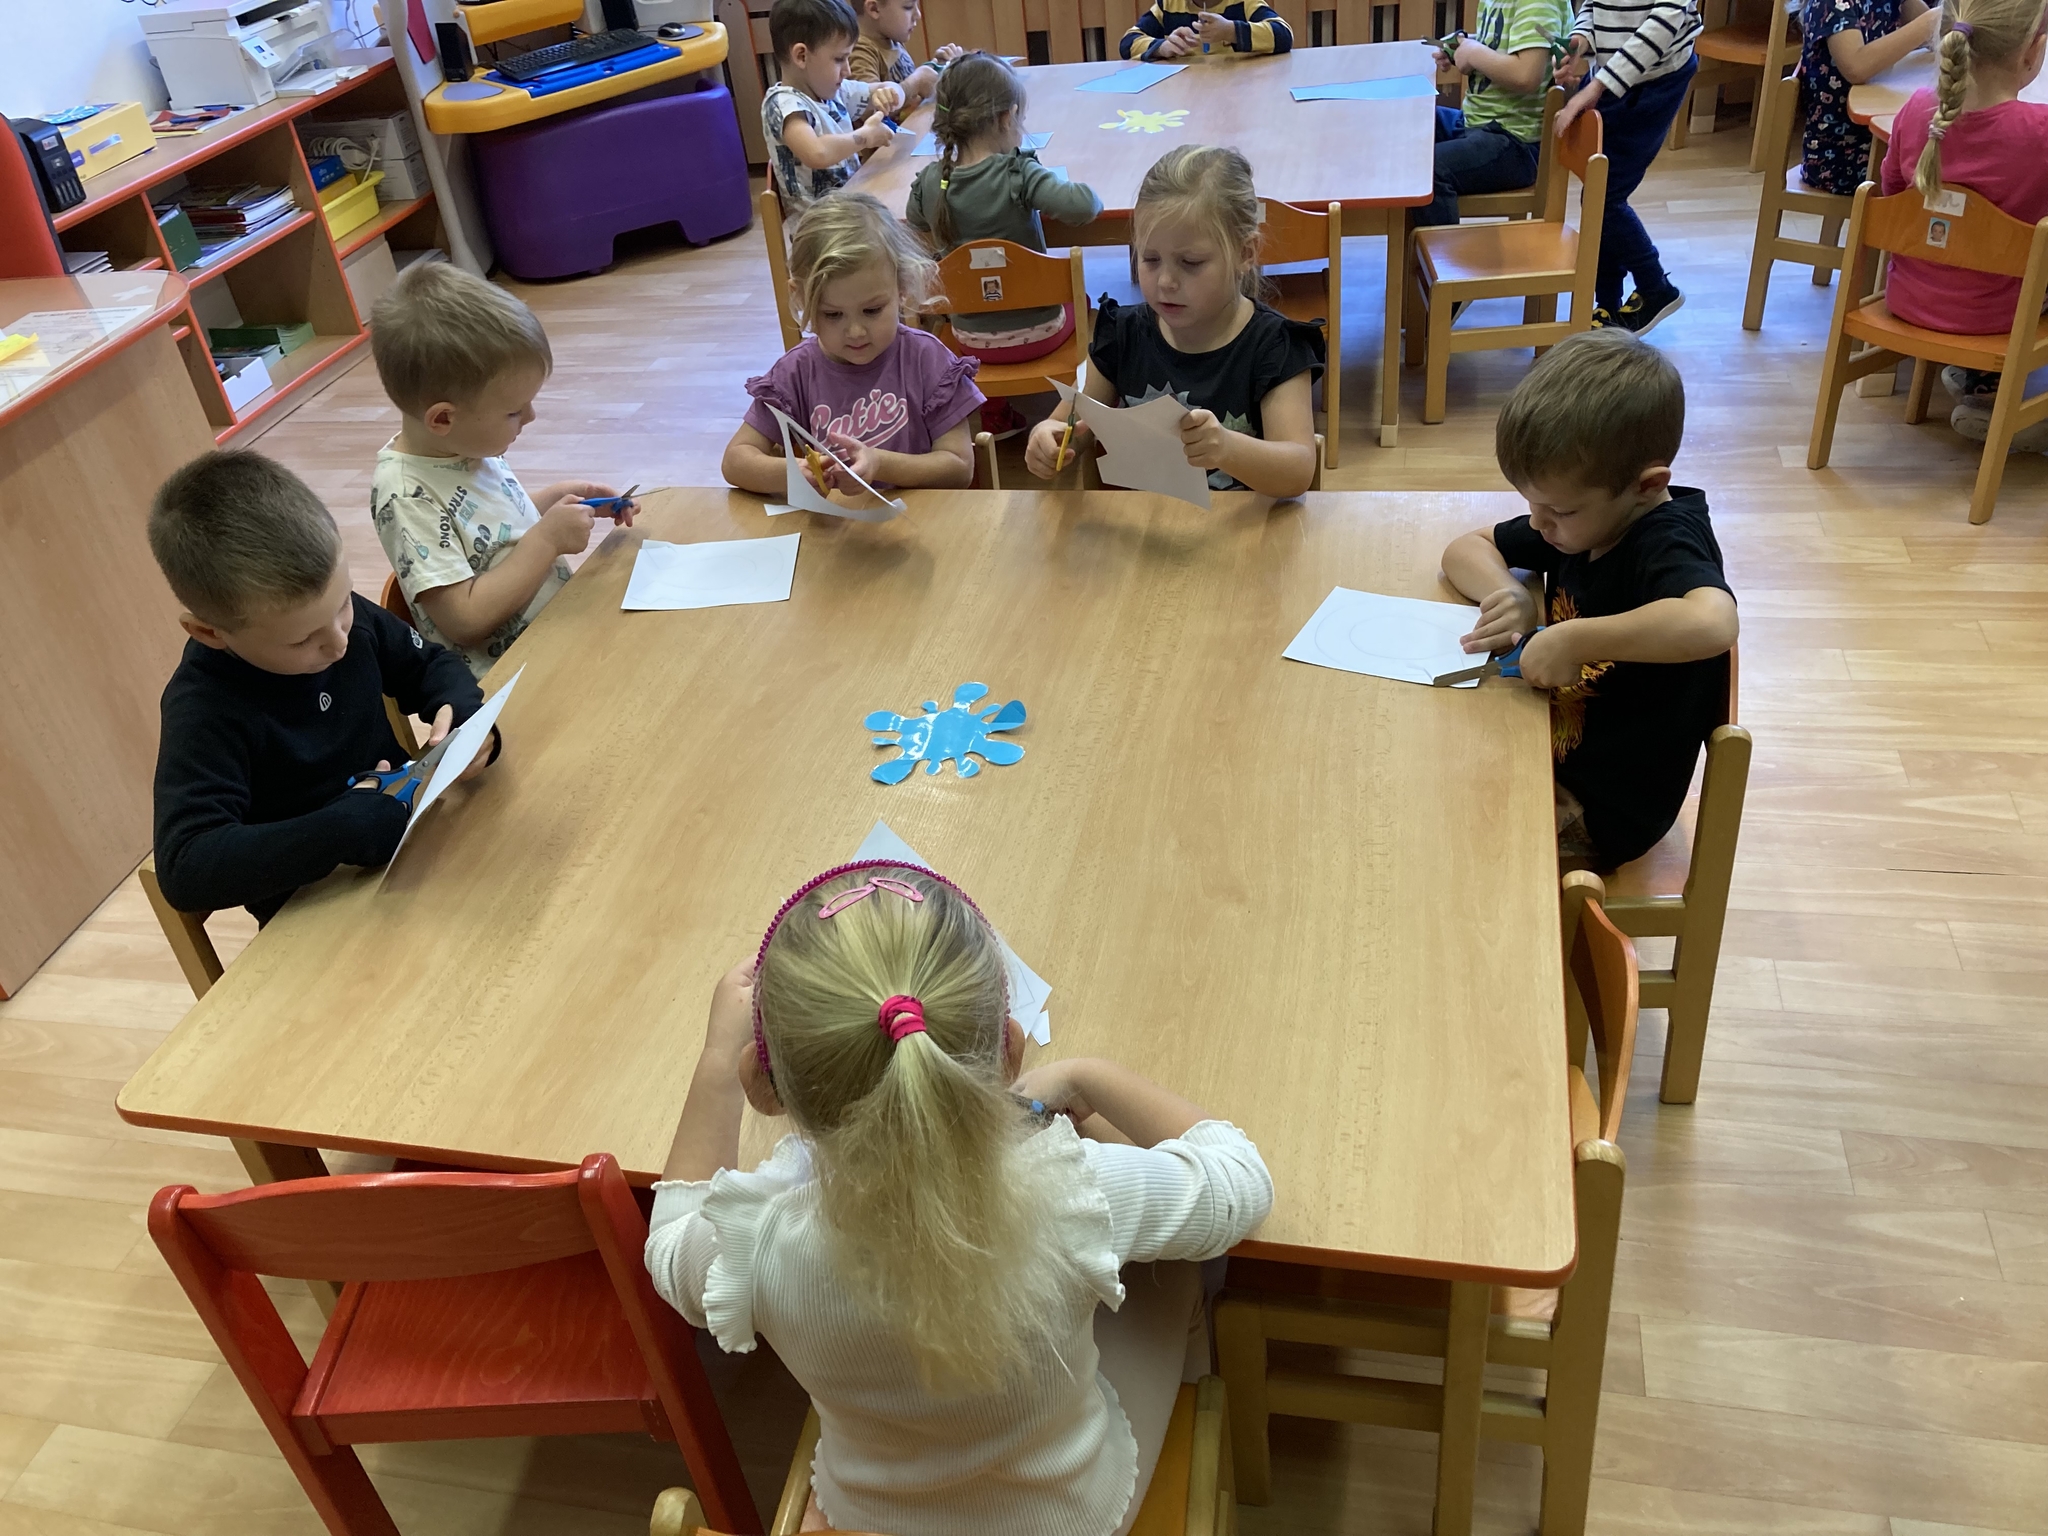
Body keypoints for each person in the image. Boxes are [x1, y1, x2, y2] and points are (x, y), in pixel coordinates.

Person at [644, 860, 1272, 1536]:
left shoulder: (755, 1244)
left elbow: (669, 1247)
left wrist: (717, 1061)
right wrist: (1090, 1075)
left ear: (762, 1087)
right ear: (1010, 1053)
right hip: (1063, 1518)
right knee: (1176, 1273)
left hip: (873, 1517)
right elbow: (1240, 1179)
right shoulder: (1074, 1191)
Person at [148, 450, 491, 924]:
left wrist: (465, 713)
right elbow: (186, 867)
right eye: (302, 640)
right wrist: (340, 830)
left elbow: (430, 665)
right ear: (209, 632)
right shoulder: (204, 709)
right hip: (316, 914)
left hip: (416, 853)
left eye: (344, 603)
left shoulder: (331, 619)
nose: (339, 642)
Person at [1439, 330, 1738, 871]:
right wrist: (1509, 593)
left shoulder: (1666, 541)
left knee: (1456, 848)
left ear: (1647, 486)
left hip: (1605, 810)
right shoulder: (1582, 520)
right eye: (1530, 504)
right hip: (1547, 746)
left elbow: (1714, 622)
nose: (1538, 524)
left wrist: (1575, 639)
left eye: (1558, 510)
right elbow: (1465, 548)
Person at [368, 262, 635, 680]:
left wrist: (563, 499)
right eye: (513, 411)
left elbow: (492, 534)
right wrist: (548, 539)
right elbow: (465, 619)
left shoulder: (464, 444)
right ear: (443, 418)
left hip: (560, 643)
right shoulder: (405, 496)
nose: (530, 417)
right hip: (509, 683)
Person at [1023, 145, 1323, 499]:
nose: (1165, 281)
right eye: (1150, 259)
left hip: (1241, 527)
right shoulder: (1121, 334)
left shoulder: (1276, 346)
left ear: (1245, 253)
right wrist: (1048, 437)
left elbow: (1297, 471)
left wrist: (1227, 448)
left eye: (1190, 262)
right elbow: (1071, 426)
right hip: (1142, 524)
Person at [724, 192, 985, 496]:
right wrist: (794, 473)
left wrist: (879, 464)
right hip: (840, 523)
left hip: (925, 520)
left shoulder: (927, 359)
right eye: (833, 314)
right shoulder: (795, 372)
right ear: (801, 297)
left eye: (872, 310)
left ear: (901, 286)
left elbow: (959, 468)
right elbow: (735, 461)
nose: (856, 332)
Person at [1876, 0, 2048, 449]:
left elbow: (1892, 198)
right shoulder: (2040, 132)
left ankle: (1981, 384)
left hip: (1910, 298)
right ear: (2033, 52)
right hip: (1997, 316)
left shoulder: (1916, 110)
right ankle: (2011, 407)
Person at [906, 52, 1104, 438]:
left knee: (978, 299)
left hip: (969, 341)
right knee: (1081, 299)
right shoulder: (1019, 173)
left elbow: (915, 221)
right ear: (1006, 118)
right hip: (1041, 335)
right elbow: (1086, 206)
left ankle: (993, 411)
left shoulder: (931, 181)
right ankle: (1078, 409)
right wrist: (1036, 170)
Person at [1552, 0, 1703, 333]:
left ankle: (1655, 287)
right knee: (1599, 192)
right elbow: (1594, 5)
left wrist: (1597, 85)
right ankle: (1608, 304)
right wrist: (1581, 41)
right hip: (1613, 75)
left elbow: (1662, 24)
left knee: (1604, 196)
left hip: (1656, 80)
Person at [1417, 0, 1574, 228]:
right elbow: (1503, 44)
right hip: (1477, 122)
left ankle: (1436, 250)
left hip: (1515, 143)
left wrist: (1473, 52)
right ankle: (1408, 240)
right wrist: (1463, 45)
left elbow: (1526, 75)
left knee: (1428, 171)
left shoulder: (1537, 3)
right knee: (1412, 124)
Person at [764, 0, 907, 213]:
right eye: (840, 59)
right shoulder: (783, 104)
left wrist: (892, 93)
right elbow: (817, 153)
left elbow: (887, 89)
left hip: (852, 208)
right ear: (801, 56)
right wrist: (865, 137)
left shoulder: (835, 92)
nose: (847, 70)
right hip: (823, 226)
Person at [1799, 0, 1937, 196]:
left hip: (1879, 142)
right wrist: (1931, 21)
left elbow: (1935, 36)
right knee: (1945, 170)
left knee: (1953, 158)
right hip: (1839, 156)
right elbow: (1856, 67)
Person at [849, 0, 962, 108]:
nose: (918, 15)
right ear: (874, 9)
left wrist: (937, 67)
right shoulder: (859, 51)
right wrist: (915, 83)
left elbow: (909, 88)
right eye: (908, 7)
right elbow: (870, 107)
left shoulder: (891, 39)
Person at [1119, 0, 1293, 58]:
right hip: (1185, 94)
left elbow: (1283, 34)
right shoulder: (1168, 4)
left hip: (1235, 90)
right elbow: (1128, 43)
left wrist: (1231, 31)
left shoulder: (1245, 2)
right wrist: (1161, 48)